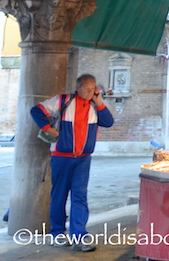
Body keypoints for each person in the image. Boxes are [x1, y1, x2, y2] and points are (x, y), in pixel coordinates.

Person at [30, 74, 115, 252]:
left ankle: (79, 236)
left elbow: (108, 122)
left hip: (83, 159)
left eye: (93, 89)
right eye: (87, 88)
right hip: (61, 156)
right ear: (78, 88)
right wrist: (47, 128)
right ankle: (57, 234)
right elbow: (36, 110)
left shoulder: (95, 105)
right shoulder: (63, 101)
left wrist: (99, 102)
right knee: (59, 195)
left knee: (80, 196)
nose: (90, 92)